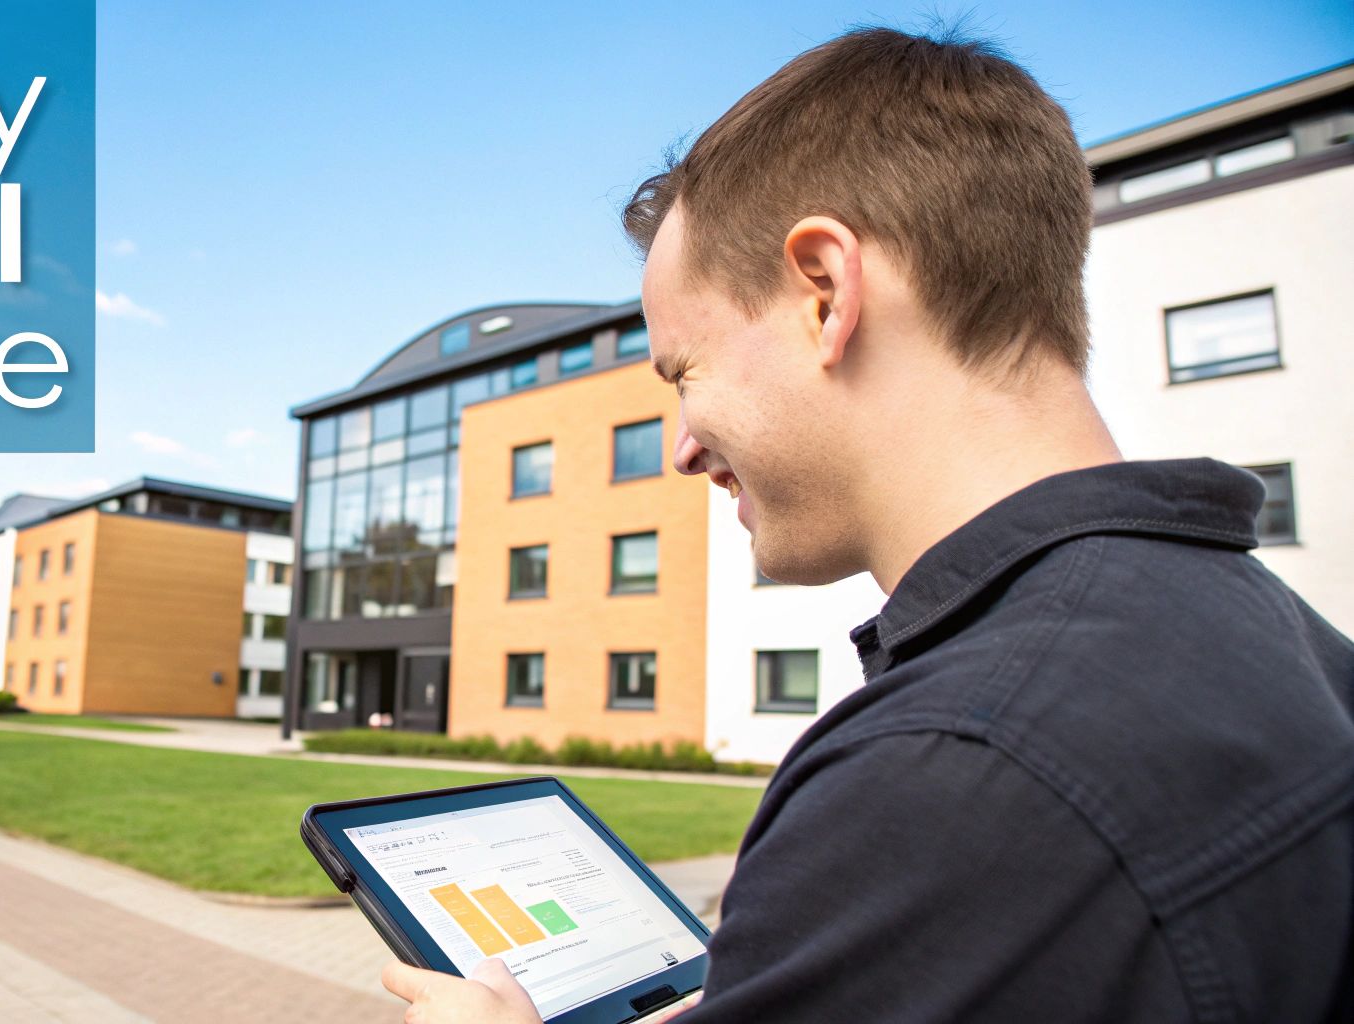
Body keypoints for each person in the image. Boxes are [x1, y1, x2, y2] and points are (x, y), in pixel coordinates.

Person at [380, 26, 1353, 1024]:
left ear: (824, 292)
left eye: (684, 374)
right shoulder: (1291, 644)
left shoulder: (948, 772)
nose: (679, 448)